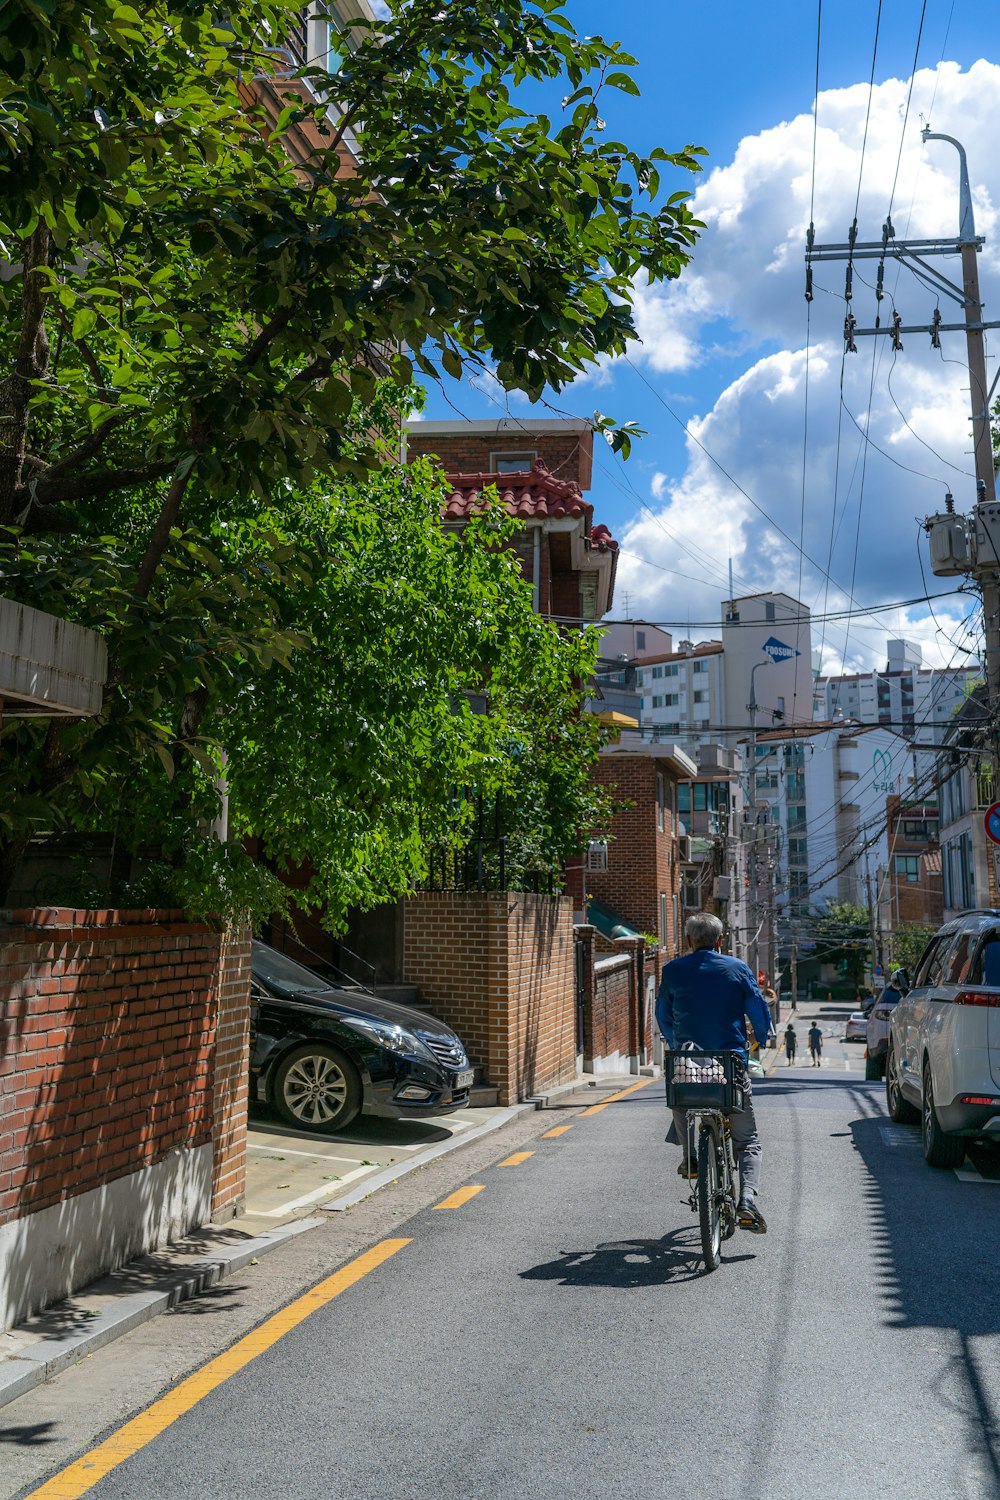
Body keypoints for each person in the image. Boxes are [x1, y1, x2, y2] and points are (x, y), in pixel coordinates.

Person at [656, 911, 772, 1234]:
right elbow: (759, 1014)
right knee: (748, 1141)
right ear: (720, 941)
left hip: (688, 1067)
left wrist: (677, 1041)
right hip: (728, 1066)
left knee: (679, 1091)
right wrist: (760, 1038)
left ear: (689, 941)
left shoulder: (673, 971)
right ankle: (747, 1199)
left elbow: (662, 1015)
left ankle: (690, 1156)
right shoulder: (737, 970)